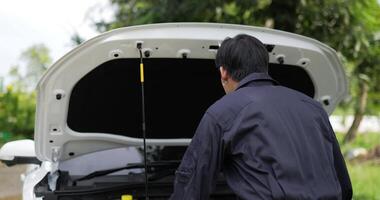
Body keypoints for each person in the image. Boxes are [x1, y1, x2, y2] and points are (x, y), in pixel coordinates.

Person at [169, 34, 352, 200]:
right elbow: (344, 186)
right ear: (264, 67)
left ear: (223, 72)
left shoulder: (222, 112)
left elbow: (191, 188)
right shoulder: (313, 108)